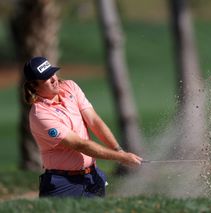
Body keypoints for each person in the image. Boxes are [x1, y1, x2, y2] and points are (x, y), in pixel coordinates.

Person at [23, 56, 143, 197]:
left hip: (92, 177)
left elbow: (94, 121)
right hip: (62, 184)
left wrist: (119, 150)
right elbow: (79, 145)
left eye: (52, 73)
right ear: (34, 86)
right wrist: (120, 158)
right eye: (46, 78)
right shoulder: (40, 114)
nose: (54, 79)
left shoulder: (70, 87)